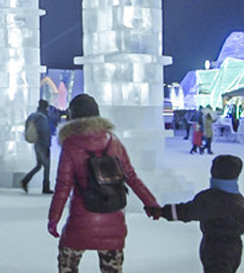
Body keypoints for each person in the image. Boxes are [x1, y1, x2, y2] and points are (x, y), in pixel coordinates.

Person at [47, 93, 160, 273]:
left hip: (80, 221)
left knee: (67, 262)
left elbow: (63, 187)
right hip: (113, 220)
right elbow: (131, 176)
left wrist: (53, 218)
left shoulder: (70, 145)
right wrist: (151, 202)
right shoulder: (113, 141)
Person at [148, 155, 244, 273]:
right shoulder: (238, 199)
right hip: (234, 248)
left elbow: (188, 211)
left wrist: (162, 212)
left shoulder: (212, 199)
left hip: (217, 250)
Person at [21, 99, 54, 194]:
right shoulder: (43, 118)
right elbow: (45, 132)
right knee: (46, 166)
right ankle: (45, 187)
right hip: (43, 144)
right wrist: (47, 144)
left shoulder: (33, 115)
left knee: (39, 165)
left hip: (36, 143)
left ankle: (26, 180)